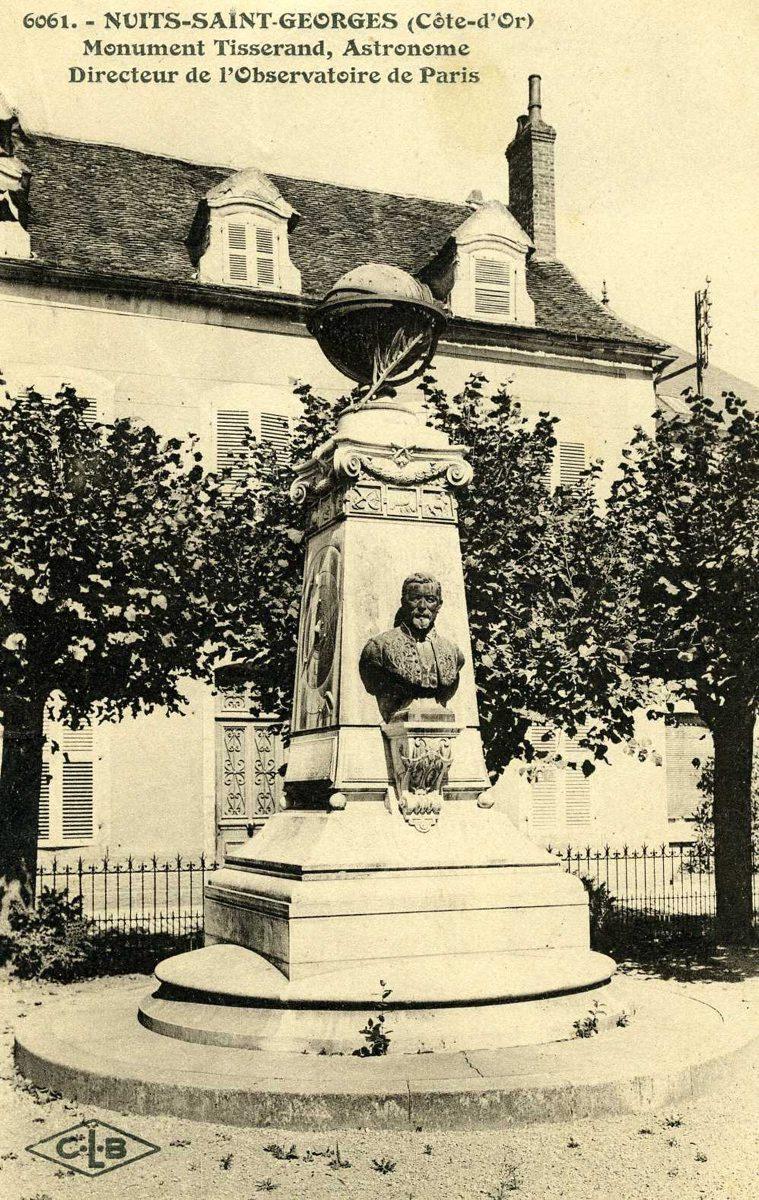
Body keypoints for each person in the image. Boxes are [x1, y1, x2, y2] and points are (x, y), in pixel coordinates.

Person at [359, 573, 464, 720]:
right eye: (415, 599)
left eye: (430, 600)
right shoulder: (379, 648)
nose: (422, 606)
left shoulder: (453, 652)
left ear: (439, 605)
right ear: (404, 602)